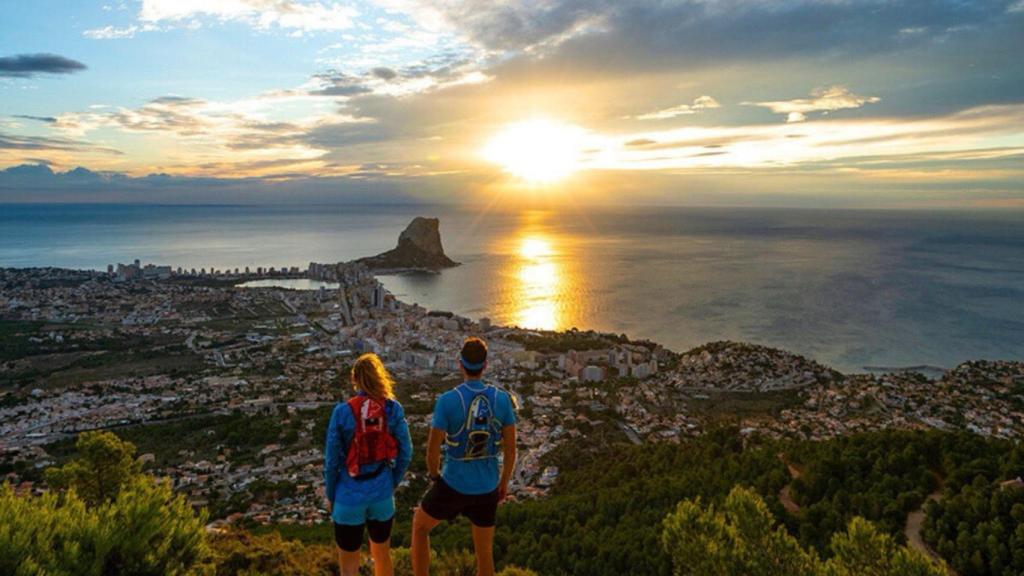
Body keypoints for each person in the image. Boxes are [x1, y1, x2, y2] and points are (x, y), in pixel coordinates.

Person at [412, 337, 518, 576]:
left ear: (460, 364)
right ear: (485, 365)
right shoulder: (502, 399)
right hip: (488, 486)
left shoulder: (447, 401)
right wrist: (503, 484)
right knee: (484, 555)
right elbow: (511, 450)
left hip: (453, 484)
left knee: (420, 527)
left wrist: (434, 476)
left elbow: (432, 450)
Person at [324, 353, 413, 576]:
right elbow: (406, 451)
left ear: (355, 379)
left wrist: (331, 494)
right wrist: (392, 480)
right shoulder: (392, 409)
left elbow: (332, 460)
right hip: (382, 493)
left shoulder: (342, 412)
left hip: (348, 496)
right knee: (382, 557)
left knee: (349, 567)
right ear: (380, 377)